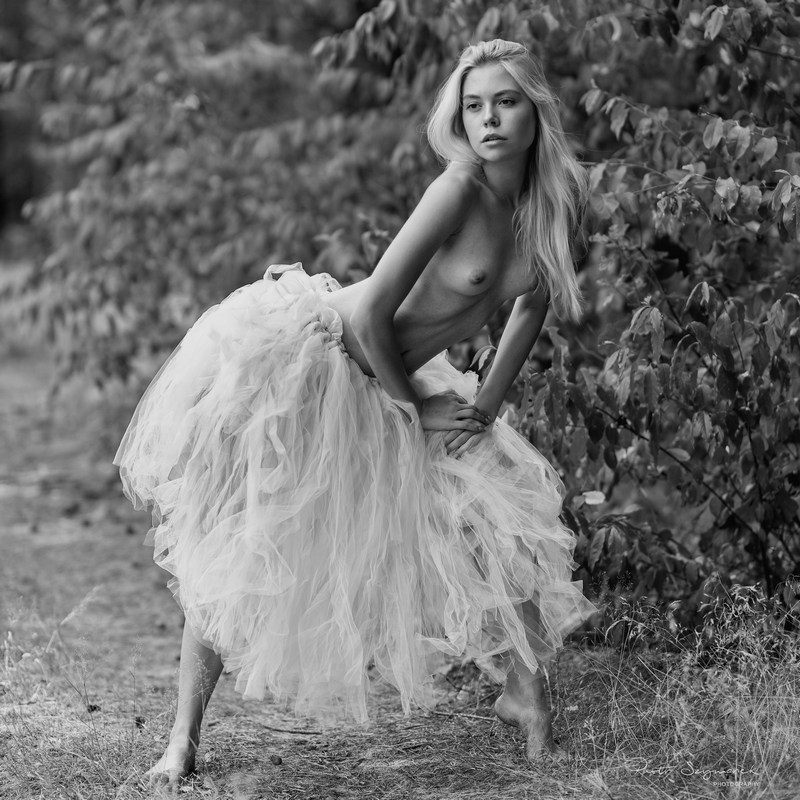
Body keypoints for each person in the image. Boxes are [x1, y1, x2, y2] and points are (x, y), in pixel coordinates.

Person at [114, 38, 597, 787]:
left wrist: (485, 407)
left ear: (535, 110)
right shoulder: (458, 190)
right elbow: (370, 313)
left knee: (500, 506)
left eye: (505, 102)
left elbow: (533, 304)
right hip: (312, 360)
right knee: (240, 543)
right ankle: (181, 738)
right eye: (473, 105)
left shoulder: (552, 204)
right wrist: (416, 410)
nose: (488, 119)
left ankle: (526, 699)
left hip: (394, 377)